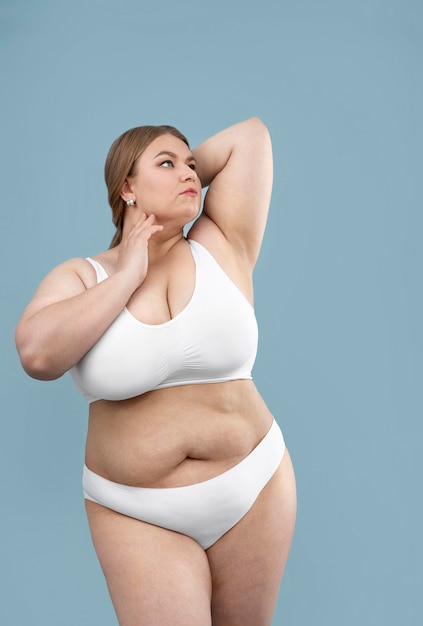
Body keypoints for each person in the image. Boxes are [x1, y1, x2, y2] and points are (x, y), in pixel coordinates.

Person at [15, 117, 296, 625]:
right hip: (136, 509)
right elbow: (37, 356)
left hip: (254, 486)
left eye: (192, 165)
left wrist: (173, 182)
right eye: (166, 164)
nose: (189, 172)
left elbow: (250, 136)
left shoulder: (223, 242)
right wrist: (127, 275)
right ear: (126, 187)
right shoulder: (84, 275)